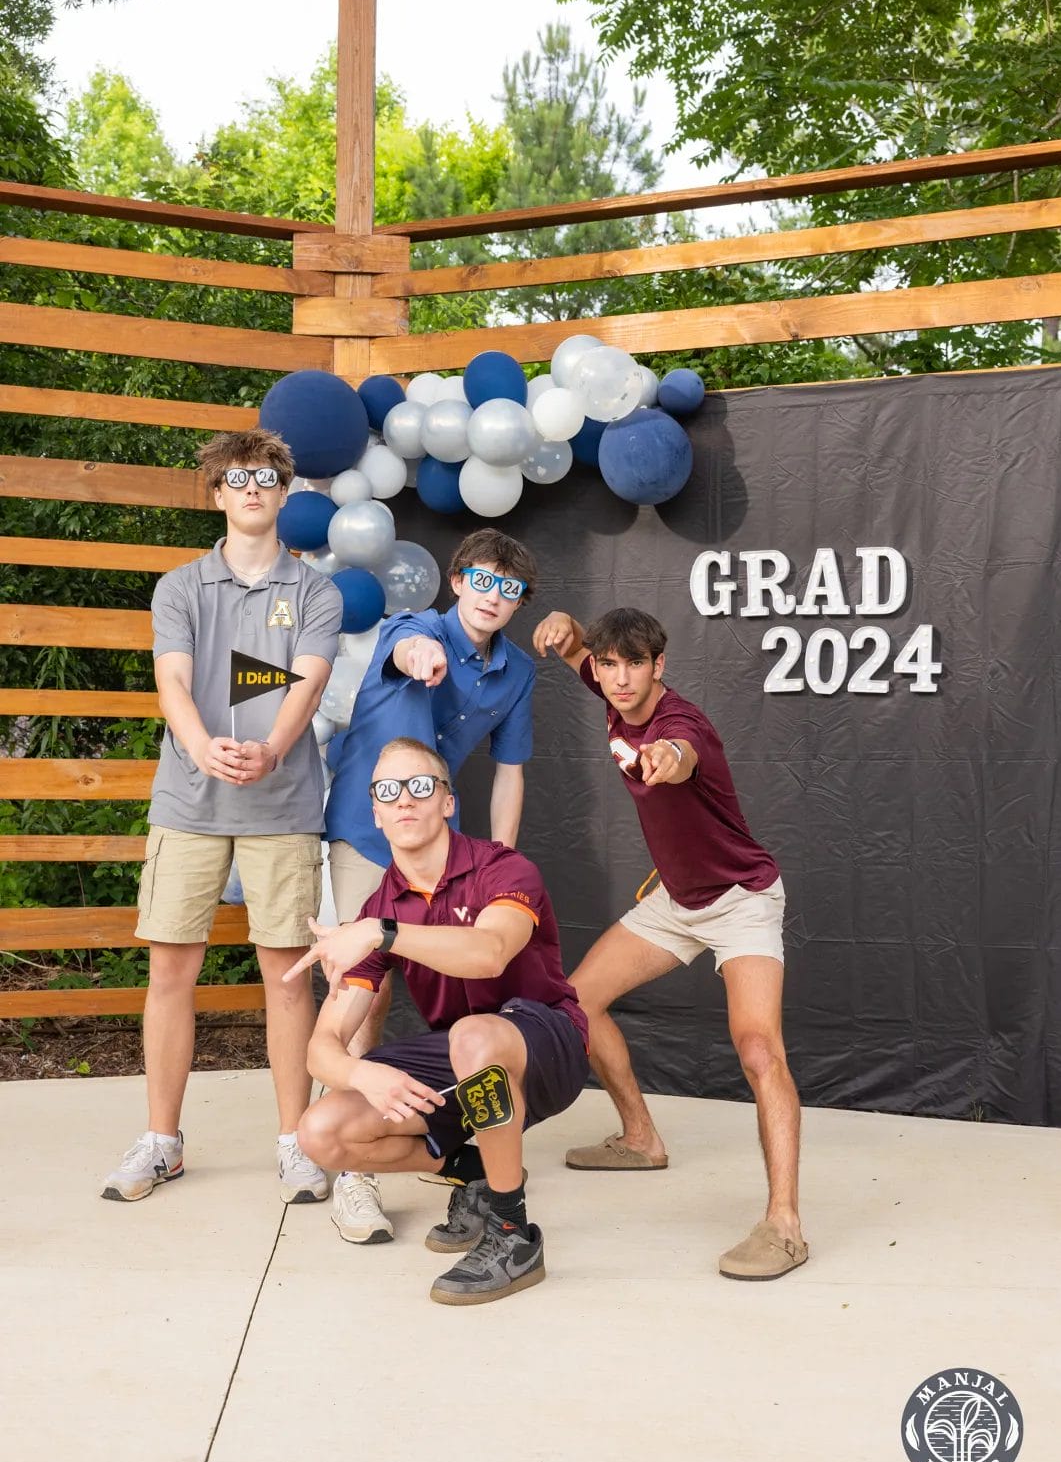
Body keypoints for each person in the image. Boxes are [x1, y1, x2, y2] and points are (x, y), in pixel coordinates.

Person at [101, 428, 343, 1206]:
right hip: (189, 799)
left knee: (285, 977)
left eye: (265, 478)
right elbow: (172, 680)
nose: (250, 489)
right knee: (171, 970)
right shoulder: (179, 587)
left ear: (282, 493)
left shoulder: (315, 591)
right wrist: (203, 746)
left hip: (282, 802)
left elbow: (305, 685)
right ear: (216, 492)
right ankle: (162, 1144)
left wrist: (271, 747)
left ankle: (296, 1145)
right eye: (236, 478)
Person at [532, 606, 807, 1281]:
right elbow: (578, 653)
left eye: (634, 664)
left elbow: (678, 755)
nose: (619, 678)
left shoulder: (681, 726)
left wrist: (665, 758)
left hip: (740, 899)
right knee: (576, 1003)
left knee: (757, 1049)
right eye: (608, 664)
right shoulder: (609, 687)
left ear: (660, 666)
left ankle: (784, 1225)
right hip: (675, 902)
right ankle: (639, 1138)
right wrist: (568, 634)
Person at [288, 736, 589, 1305]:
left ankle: (512, 1234)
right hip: (460, 1056)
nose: (405, 800)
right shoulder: (379, 910)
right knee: (321, 1132)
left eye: (421, 787)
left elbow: (490, 952)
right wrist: (360, 1075)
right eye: (389, 791)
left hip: (546, 1043)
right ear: (374, 812)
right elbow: (322, 1047)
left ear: (446, 802)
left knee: (475, 1037)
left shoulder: (503, 868)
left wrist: (383, 934)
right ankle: (473, 1167)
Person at [321, 529, 538, 1243]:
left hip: (441, 840)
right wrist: (426, 657)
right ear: (454, 580)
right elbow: (410, 648)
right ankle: (347, 1170)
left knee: (475, 983)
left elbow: (509, 770)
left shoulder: (515, 671)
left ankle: (464, 1146)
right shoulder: (413, 628)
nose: (492, 596)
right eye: (481, 579)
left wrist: (497, 861)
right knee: (366, 991)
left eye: (508, 588)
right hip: (366, 828)